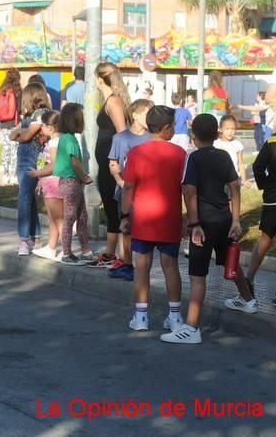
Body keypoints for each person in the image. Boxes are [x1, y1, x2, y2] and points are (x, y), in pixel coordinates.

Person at [160, 114, 256, 344]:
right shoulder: (224, 156)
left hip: (203, 223)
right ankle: (248, 300)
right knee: (229, 261)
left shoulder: (193, 159)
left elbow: (189, 192)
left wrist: (194, 224)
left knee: (197, 275)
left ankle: (192, 328)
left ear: (193, 137)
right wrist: (235, 220)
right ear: (217, 134)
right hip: (224, 218)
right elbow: (235, 188)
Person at [120, 106, 186, 333]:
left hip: (143, 219)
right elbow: (186, 189)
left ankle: (141, 317)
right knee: (170, 267)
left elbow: (128, 186)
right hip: (170, 218)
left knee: (142, 266)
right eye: (173, 126)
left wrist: (125, 215)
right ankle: (175, 318)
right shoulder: (180, 154)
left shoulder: (136, 153)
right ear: (167, 129)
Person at [107, 99, 154, 281]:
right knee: (125, 228)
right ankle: (126, 263)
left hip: (146, 193)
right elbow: (113, 163)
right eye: (147, 114)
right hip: (125, 191)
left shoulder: (152, 138)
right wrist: (120, 181)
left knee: (143, 230)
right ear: (135, 115)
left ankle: (143, 267)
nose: (150, 118)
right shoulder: (120, 138)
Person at [92, 62, 131, 268]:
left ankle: (123, 257)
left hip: (112, 163)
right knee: (109, 206)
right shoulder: (108, 99)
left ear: (100, 79)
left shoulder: (113, 101)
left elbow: (122, 132)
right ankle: (109, 253)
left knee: (116, 209)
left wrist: (117, 163)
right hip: (106, 162)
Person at [246, 66, 276, 308]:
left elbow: (257, 168)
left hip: (272, 199)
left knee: (265, 239)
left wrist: (265, 185)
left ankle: (248, 280)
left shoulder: (271, 142)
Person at [9, 82, 50, 255]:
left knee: (23, 198)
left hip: (31, 159)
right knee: (29, 199)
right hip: (24, 159)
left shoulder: (41, 114)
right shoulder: (30, 115)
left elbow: (24, 135)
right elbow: (13, 133)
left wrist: (20, 134)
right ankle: (36, 236)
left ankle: (24, 239)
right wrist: (19, 134)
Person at [53, 103, 94, 265]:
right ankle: (67, 253)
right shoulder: (70, 139)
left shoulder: (65, 138)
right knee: (70, 217)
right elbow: (75, 162)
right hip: (71, 182)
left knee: (82, 216)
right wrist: (84, 177)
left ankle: (86, 250)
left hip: (69, 182)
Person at [29, 111, 63, 261]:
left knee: (58, 219)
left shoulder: (55, 143)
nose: (40, 127)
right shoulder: (52, 141)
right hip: (48, 183)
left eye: (42, 125)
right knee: (52, 218)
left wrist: (38, 173)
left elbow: (54, 166)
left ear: (50, 127)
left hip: (53, 183)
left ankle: (66, 250)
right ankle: (51, 247)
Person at [0, 68, 22, 185]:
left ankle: (5, 175)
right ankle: (14, 175)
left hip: (4, 124)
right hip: (15, 123)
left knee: (5, 149)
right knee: (15, 149)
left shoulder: (2, 91)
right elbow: (20, 109)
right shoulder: (17, 91)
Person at [214, 115, 250, 187]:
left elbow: (241, 164)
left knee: (234, 198)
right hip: (218, 180)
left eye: (233, 129)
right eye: (227, 129)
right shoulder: (215, 144)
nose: (230, 132)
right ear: (220, 129)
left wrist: (244, 180)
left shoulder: (237, 145)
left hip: (234, 180)